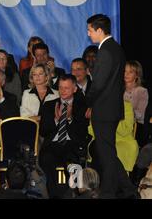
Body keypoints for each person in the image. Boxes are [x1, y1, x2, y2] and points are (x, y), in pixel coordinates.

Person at [85, 13, 136, 198]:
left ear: (99, 30)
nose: (88, 33)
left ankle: (109, 193)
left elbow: (98, 83)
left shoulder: (105, 51)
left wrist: (87, 101)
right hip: (111, 109)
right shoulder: (116, 48)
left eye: (90, 30)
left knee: (106, 156)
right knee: (109, 153)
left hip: (104, 111)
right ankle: (129, 190)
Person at [38, 74, 89, 198]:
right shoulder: (49, 105)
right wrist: (56, 120)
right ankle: (55, 195)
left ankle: (76, 194)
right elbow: (43, 131)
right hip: (52, 145)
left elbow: (83, 133)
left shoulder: (82, 106)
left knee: (74, 161)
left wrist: (70, 119)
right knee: (47, 160)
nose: (62, 91)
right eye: (60, 87)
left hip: (72, 145)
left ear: (75, 89)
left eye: (66, 88)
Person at [124, 60, 149, 147]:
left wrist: (127, 111)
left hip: (136, 128)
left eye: (130, 72)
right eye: (125, 71)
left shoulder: (142, 91)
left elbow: (141, 115)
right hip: (120, 126)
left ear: (137, 75)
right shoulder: (118, 90)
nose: (126, 74)